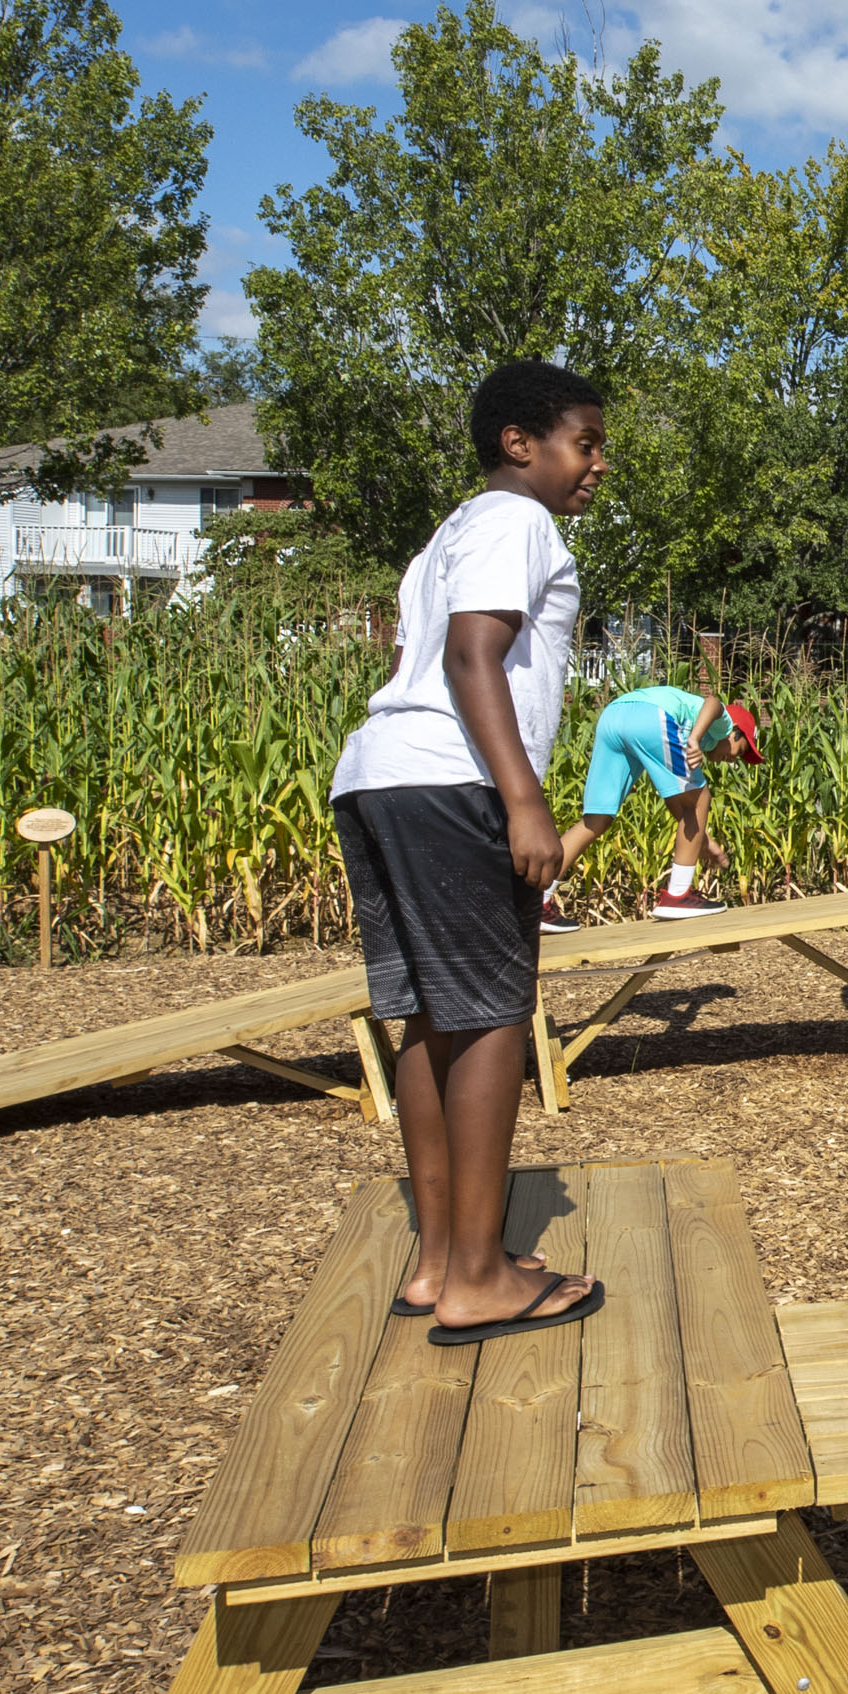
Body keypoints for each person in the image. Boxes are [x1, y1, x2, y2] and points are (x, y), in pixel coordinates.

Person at [328, 360, 608, 1345]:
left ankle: (443, 1258)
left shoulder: (449, 532)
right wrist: (524, 802)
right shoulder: (516, 521)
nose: (597, 465)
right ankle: (482, 1278)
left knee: (430, 1024)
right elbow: (471, 653)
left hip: (378, 775)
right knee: (492, 1017)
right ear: (519, 444)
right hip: (454, 781)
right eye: (586, 441)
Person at [542, 678, 765, 929]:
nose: (732, 759)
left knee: (597, 819)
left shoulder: (691, 733)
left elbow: (679, 805)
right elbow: (713, 702)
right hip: (651, 716)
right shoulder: (721, 723)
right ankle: (678, 895)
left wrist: (702, 840)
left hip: (613, 717)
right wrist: (695, 738)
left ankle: (537, 900)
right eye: (740, 749)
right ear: (734, 731)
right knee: (702, 796)